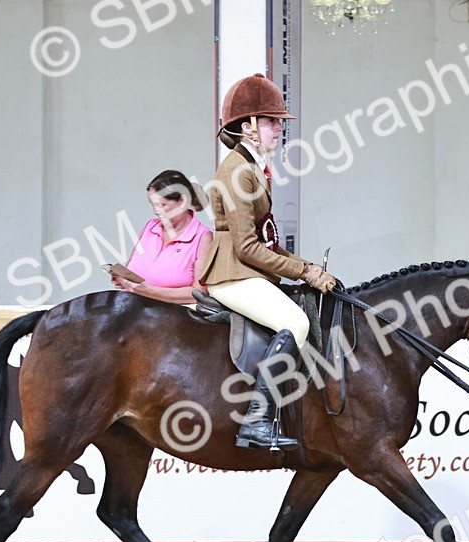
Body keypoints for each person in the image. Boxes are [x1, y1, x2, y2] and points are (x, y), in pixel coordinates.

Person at [199, 73, 339, 450]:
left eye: (279, 122)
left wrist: (309, 268)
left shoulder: (253, 167)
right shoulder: (236, 172)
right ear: (248, 128)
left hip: (246, 269)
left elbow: (270, 243)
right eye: (271, 121)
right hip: (232, 273)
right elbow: (246, 247)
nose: (279, 128)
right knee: (295, 321)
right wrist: (303, 271)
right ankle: (257, 420)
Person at [109, 170, 212, 304]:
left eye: (162, 205)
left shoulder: (203, 237)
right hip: (134, 306)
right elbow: (134, 269)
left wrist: (150, 291)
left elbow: (199, 294)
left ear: (182, 201)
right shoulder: (150, 227)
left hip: (173, 315)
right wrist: (124, 280)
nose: (156, 211)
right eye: (153, 205)